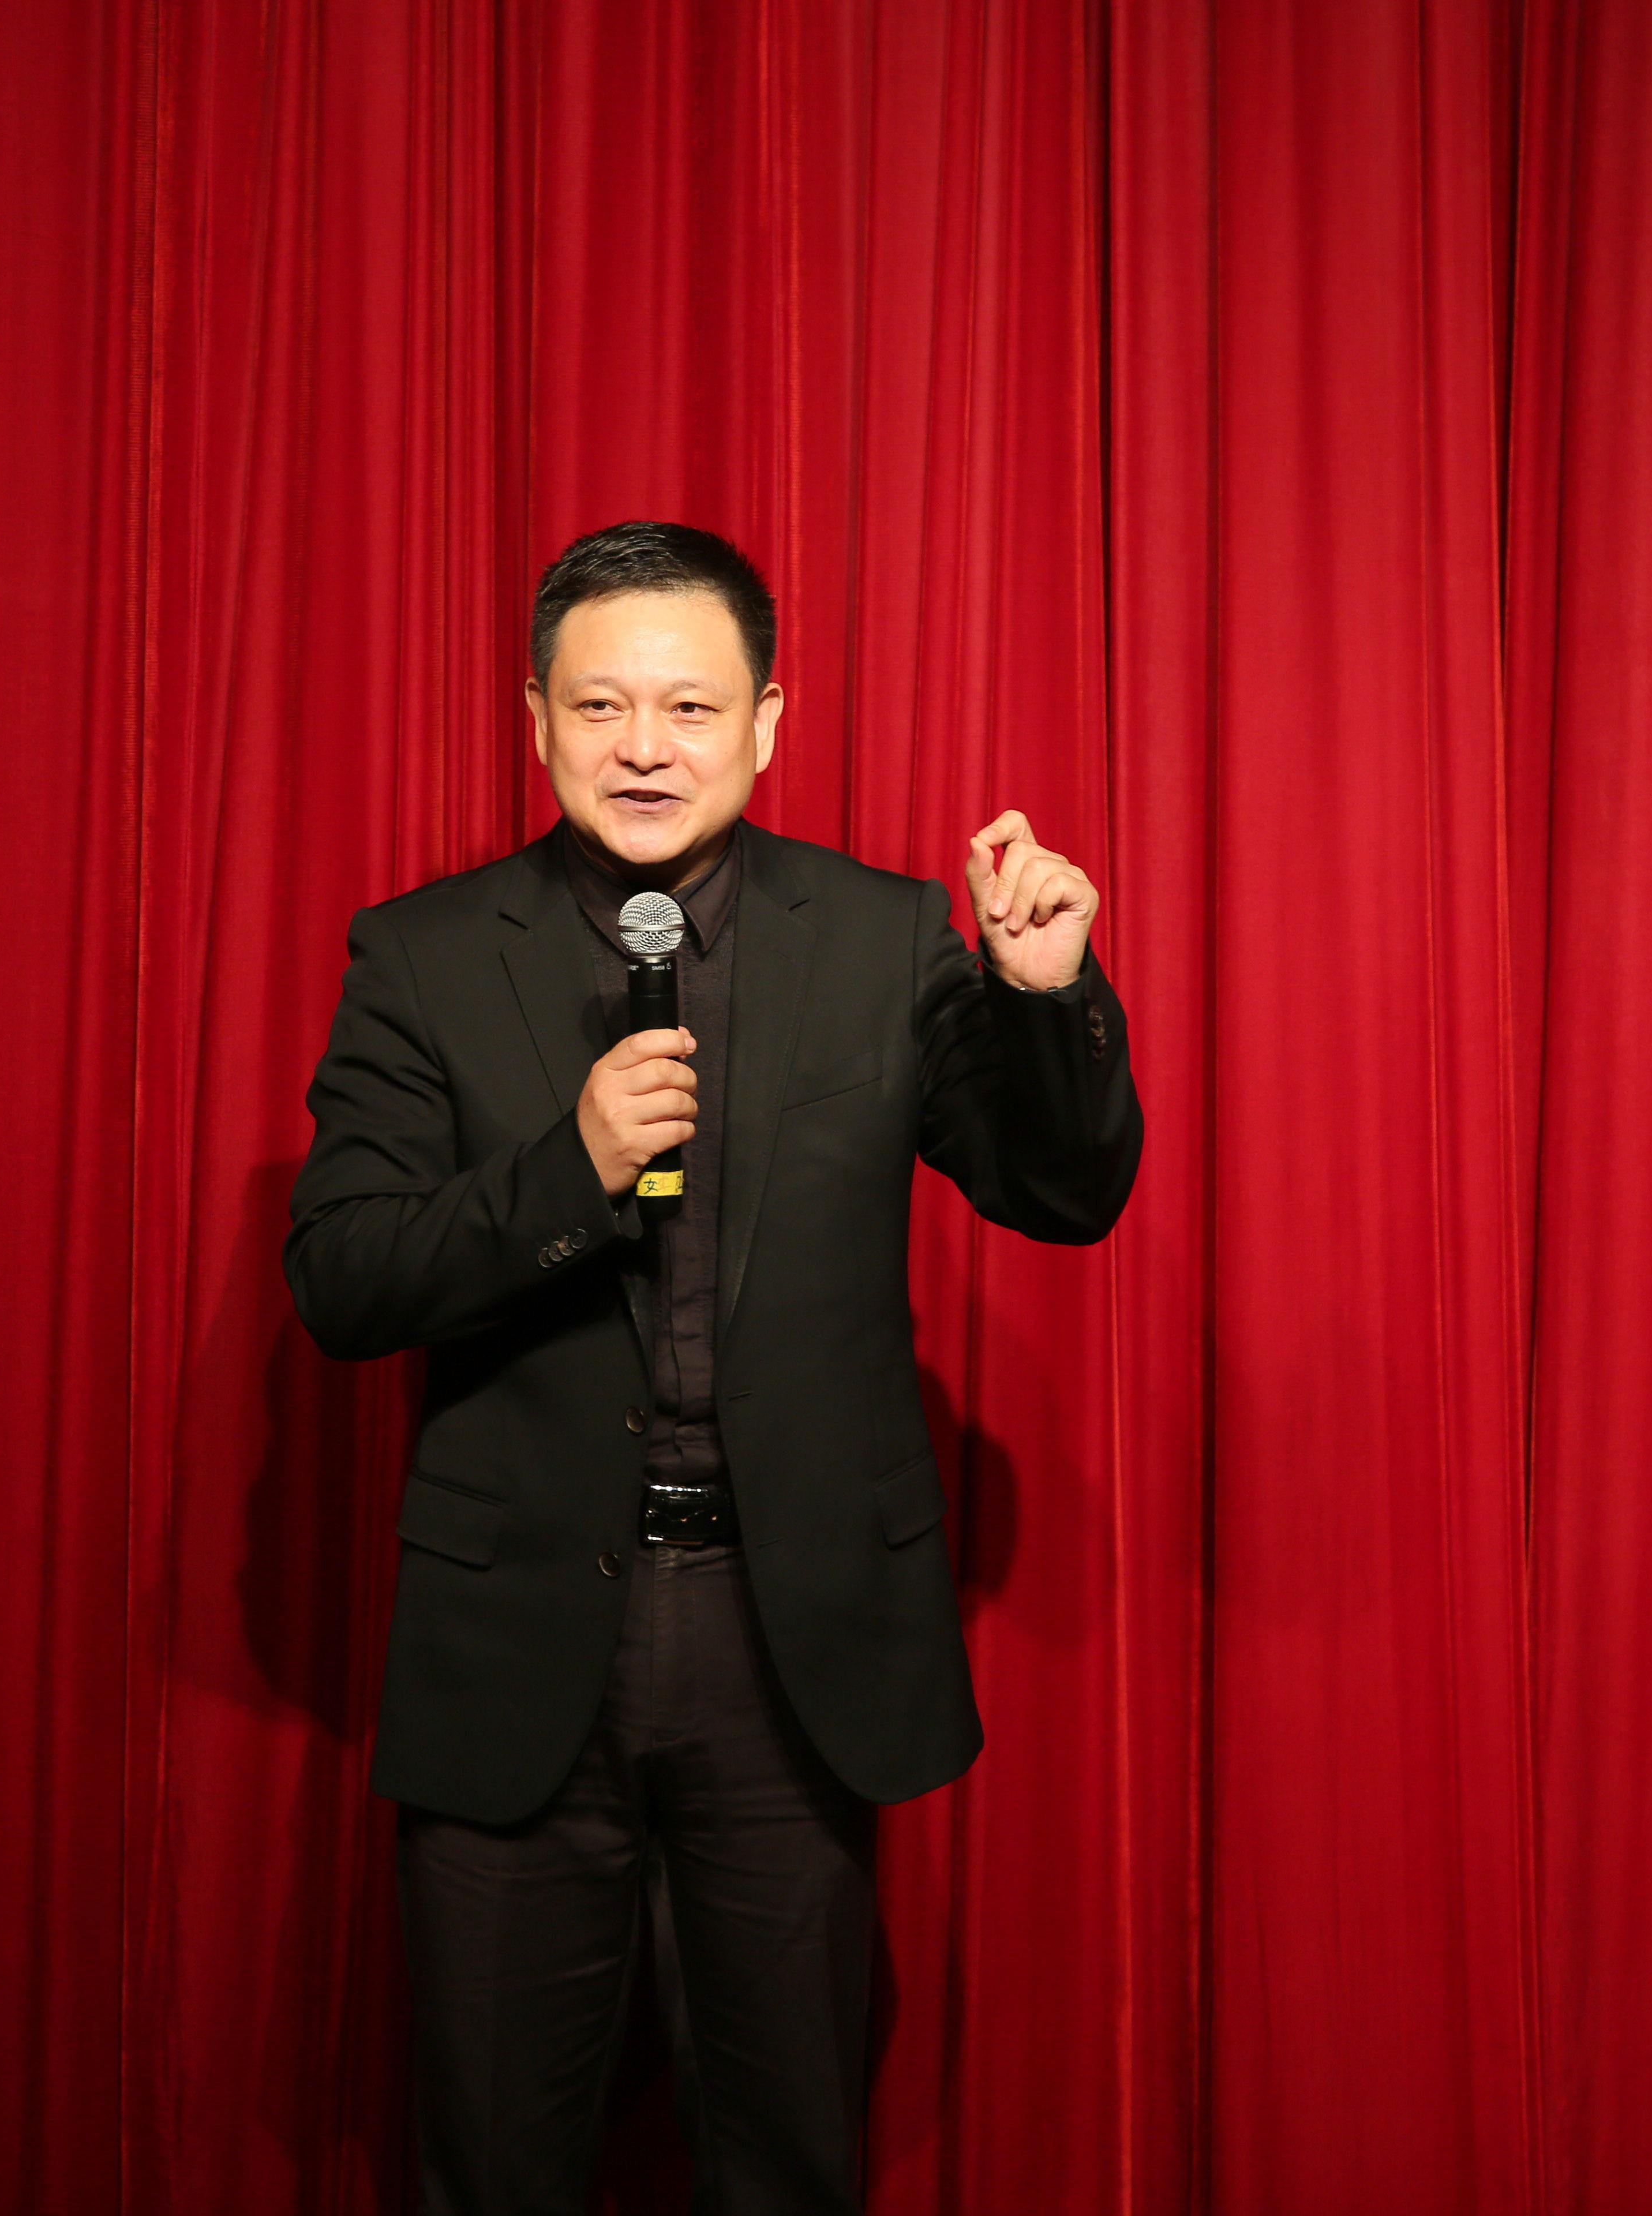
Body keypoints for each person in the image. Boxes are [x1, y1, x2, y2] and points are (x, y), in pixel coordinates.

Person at [286, 520, 1141, 2213]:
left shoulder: (886, 938)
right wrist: (568, 1171)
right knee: (492, 2160)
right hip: (524, 1643)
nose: (645, 747)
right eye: (601, 706)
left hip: (788, 1636)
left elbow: (1064, 1195)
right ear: (537, 720)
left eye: (690, 706)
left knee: (786, 2154)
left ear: (767, 722)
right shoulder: (426, 952)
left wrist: (1045, 998)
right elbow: (343, 1278)